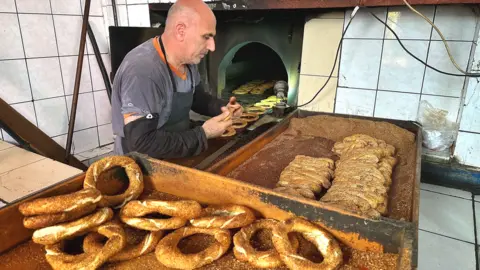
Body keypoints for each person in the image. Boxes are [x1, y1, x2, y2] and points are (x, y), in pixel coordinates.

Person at [111, 0, 243, 159]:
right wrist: (204, 133)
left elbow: (196, 97)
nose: (212, 46)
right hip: (143, 164)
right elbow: (142, 143)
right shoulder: (143, 71)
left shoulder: (187, 60)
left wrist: (223, 108)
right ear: (180, 31)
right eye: (206, 36)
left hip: (176, 150)